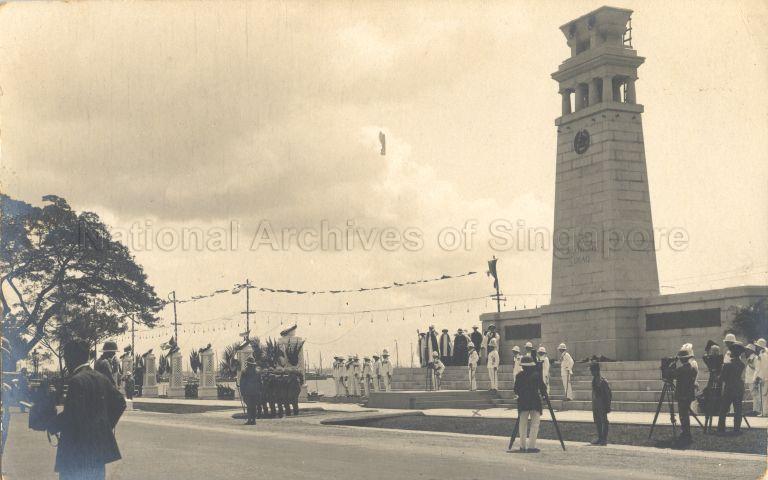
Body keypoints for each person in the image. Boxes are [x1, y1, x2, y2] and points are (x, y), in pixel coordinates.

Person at [47, 339, 126, 480]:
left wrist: (52, 425)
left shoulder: (76, 381)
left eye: (66, 358)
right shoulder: (101, 377)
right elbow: (120, 402)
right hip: (98, 449)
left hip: (77, 450)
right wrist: (104, 425)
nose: (66, 363)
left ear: (71, 358)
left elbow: (71, 415)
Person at [513, 355, 547, 453]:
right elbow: (543, 388)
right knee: (535, 424)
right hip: (534, 402)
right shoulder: (536, 375)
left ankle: (522, 446)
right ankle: (532, 446)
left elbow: (516, 390)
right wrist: (544, 395)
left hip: (523, 402)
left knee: (522, 424)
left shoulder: (519, 376)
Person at [669, 344, 697, 446]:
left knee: (683, 415)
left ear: (681, 360)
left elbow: (670, 374)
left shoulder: (681, 370)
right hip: (689, 395)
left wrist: (672, 365)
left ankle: (686, 433)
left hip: (682, 395)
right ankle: (686, 432)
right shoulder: (692, 368)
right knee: (686, 414)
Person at [718, 342, 746, 434]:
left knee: (723, 409)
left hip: (729, 388)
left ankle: (721, 429)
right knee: (738, 409)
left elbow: (722, 378)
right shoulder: (742, 364)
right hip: (738, 388)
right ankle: (736, 429)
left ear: (733, 353)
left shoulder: (727, 365)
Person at [700, 341, 724, 431]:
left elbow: (704, 356)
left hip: (713, 380)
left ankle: (707, 425)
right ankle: (715, 425)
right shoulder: (720, 358)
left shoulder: (708, 359)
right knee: (715, 400)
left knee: (710, 400)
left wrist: (709, 354)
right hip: (718, 380)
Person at [589, 360, 612, 445]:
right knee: (597, 421)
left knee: (604, 421)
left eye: (593, 370)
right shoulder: (594, 381)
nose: (592, 373)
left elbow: (608, 395)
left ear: (597, 370)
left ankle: (604, 439)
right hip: (596, 404)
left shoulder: (603, 382)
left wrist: (607, 406)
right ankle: (600, 437)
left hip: (602, 404)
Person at [240, 357, 261, 425]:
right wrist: (259, 391)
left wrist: (242, 391)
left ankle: (249, 420)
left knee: (249, 406)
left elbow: (242, 383)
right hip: (255, 391)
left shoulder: (244, 372)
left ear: (248, 364)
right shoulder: (257, 372)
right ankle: (254, 420)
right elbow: (260, 383)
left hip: (247, 391)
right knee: (254, 406)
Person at [745, 343, 762, 415]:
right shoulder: (750, 358)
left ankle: (757, 410)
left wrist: (755, 379)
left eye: (748, 349)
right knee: (754, 395)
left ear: (751, 351)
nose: (746, 351)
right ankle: (755, 409)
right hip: (750, 378)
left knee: (756, 395)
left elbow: (757, 369)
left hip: (752, 379)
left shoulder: (755, 358)